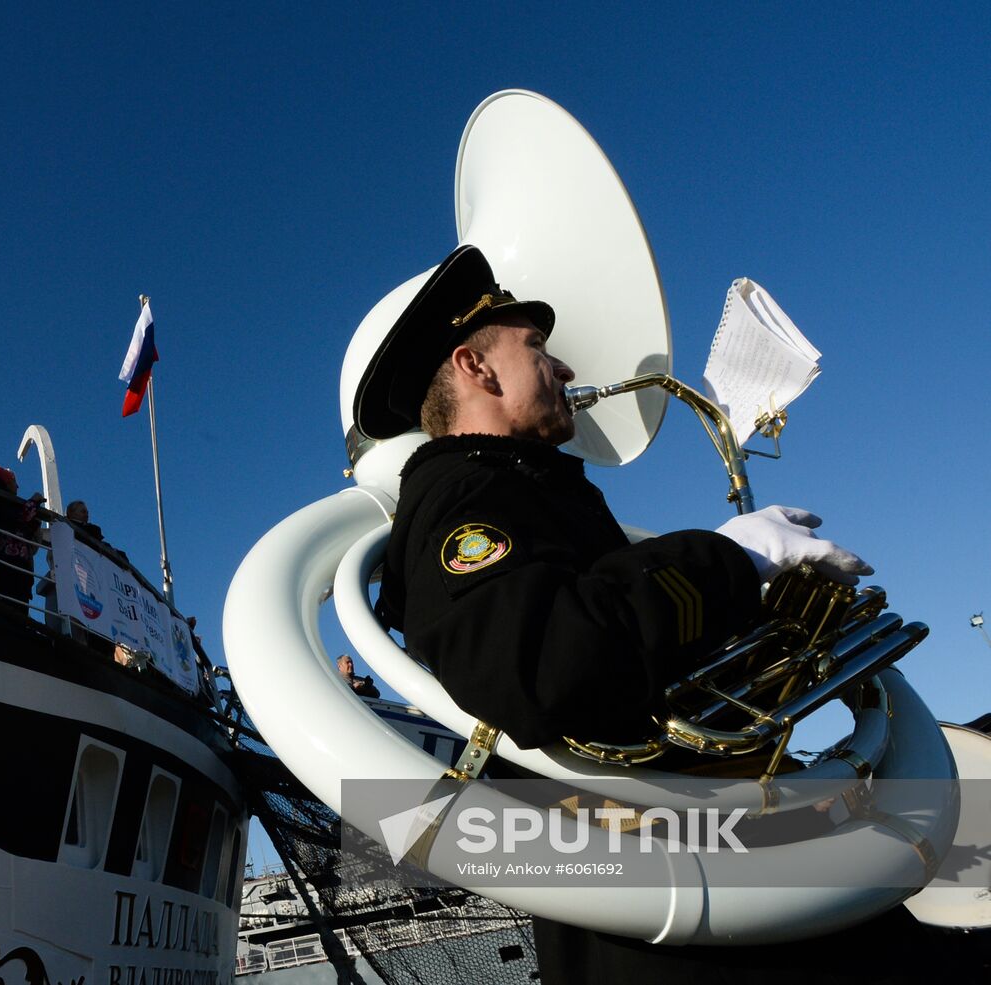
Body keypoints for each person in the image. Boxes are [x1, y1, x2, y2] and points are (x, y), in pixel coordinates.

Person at [361, 245, 930, 984]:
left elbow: (633, 651)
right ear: (477, 368)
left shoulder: (523, 487)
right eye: (537, 347)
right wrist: (729, 560)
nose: (564, 369)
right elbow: (539, 666)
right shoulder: (464, 500)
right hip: (682, 904)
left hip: (726, 866)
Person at [0, 464, 43, 611]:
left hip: (19, 566)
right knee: (9, 599)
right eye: (13, 482)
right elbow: (20, 518)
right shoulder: (0, 502)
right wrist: (34, 502)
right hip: (8, 563)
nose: (17, 487)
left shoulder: (3, 504)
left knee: (18, 599)